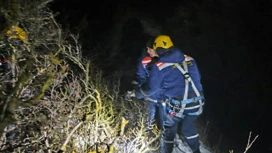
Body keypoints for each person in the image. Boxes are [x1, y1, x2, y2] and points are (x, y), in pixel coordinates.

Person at [150, 35, 205, 153]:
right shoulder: (190, 59)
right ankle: (196, 151)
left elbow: (151, 89)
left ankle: (168, 150)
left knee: (169, 125)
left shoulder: (159, 66)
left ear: (158, 48)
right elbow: (197, 79)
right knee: (188, 127)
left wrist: (137, 93)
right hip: (198, 104)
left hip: (178, 106)